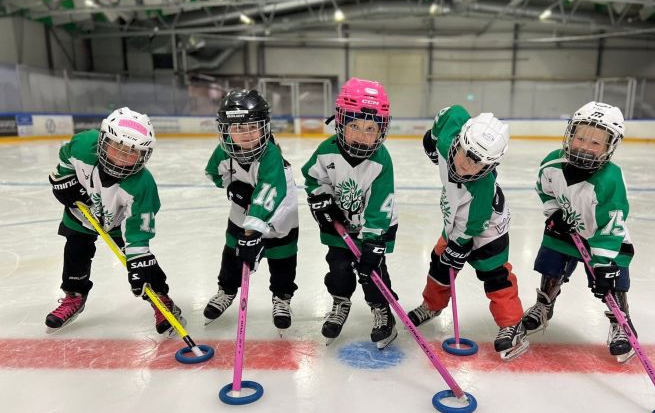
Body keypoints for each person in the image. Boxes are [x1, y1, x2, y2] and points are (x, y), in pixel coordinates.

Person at [45, 107, 184, 335]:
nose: (121, 157)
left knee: (142, 266)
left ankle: (161, 299)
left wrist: (138, 260)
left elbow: (138, 232)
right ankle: (74, 295)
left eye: (131, 152)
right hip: (81, 215)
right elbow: (65, 159)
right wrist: (64, 178)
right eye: (116, 147)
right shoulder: (83, 145)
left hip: (120, 224)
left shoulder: (142, 185)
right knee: (75, 253)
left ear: (143, 155)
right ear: (103, 141)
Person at [407, 105, 527, 360]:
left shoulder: (481, 188)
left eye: (478, 162)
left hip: (487, 230)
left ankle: (512, 324)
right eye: (465, 153)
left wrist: (458, 246)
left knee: (494, 275)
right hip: (456, 218)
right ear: (459, 140)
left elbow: (474, 225)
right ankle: (432, 305)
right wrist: (432, 136)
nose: (466, 164)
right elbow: (453, 112)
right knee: (439, 263)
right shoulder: (447, 142)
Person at [521, 101, 635, 363]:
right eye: (580, 138)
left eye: (595, 143)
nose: (584, 146)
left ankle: (620, 320)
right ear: (570, 134)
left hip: (603, 240)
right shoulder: (552, 163)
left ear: (609, 146)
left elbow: (612, 225)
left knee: (612, 280)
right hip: (565, 229)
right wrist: (554, 213)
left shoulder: (610, 179)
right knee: (551, 264)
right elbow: (544, 190)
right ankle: (544, 303)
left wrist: (603, 265)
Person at [301, 77, 398, 349]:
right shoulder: (326, 151)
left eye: (370, 128)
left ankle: (382, 309)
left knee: (373, 272)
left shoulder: (381, 161)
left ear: (381, 130)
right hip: (339, 223)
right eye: (354, 125)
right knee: (339, 269)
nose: (362, 135)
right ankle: (340, 301)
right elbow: (312, 179)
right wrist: (321, 200)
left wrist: (373, 242)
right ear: (341, 121)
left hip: (375, 227)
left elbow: (380, 204)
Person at [203, 89, 299, 329]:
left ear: (264, 127)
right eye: (238, 128)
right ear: (226, 130)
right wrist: (231, 187)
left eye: (252, 127)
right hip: (241, 214)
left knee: (282, 259)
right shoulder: (223, 152)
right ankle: (226, 290)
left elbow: (268, 193)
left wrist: (251, 233)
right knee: (232, 255)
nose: (246, 134)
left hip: (279, 214)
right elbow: (213, 173)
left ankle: (282, 297)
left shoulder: (270, 155)